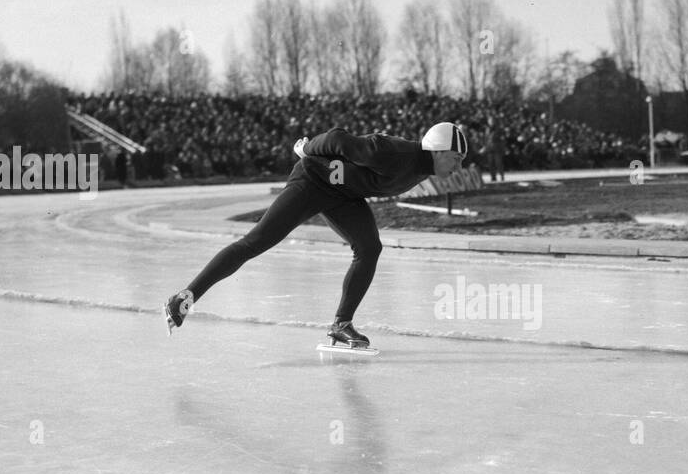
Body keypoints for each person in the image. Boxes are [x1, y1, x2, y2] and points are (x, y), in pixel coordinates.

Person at [163, 121, 468, 349]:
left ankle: (341, 323)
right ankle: (183, 298)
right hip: (312, 182)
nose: (459, 167)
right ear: (439, 150)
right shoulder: (395, 152)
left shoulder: (420, 168)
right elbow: (338, 139)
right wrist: (306, 150)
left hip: (344, 195)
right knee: (255, 243)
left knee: (369, 248)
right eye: (456, 159)